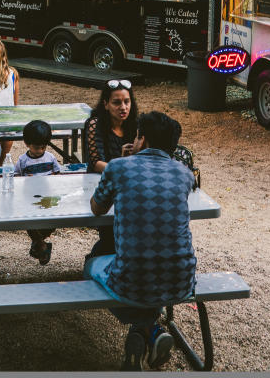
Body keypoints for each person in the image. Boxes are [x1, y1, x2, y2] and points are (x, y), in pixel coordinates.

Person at [87, 111, 194, 370]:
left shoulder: (119, 166)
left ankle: (143, 327)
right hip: (181, 280)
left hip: (133, 282)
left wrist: (121, 166)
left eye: (136, 136)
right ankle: (149, 331)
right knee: (154, 258)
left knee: (90, 263)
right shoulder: (184, 173)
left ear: (142, 140)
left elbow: (97, 208)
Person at [82, 79, 140, 258]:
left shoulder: (136, 125)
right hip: (100, 184)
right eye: (117, 102)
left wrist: (124, 166)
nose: (123, 107)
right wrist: (121, 165)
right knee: (110, 230)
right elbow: (95, 162)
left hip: (129, 184)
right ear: (105, 104)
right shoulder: (95, 124)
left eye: (127, 101)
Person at [17, 119, 61, 265]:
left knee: (51, 222)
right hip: (30, 197)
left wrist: (51, 179)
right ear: (27, 144)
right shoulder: (23, 160)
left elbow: (57, 173)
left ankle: (39, 243)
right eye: (37, 148)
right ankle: (41, 246)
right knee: (29, 222)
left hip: (48, 195)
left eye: (43, 147)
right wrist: (26, 180)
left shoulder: (50, 158)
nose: (40, 151)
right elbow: (17, 177)